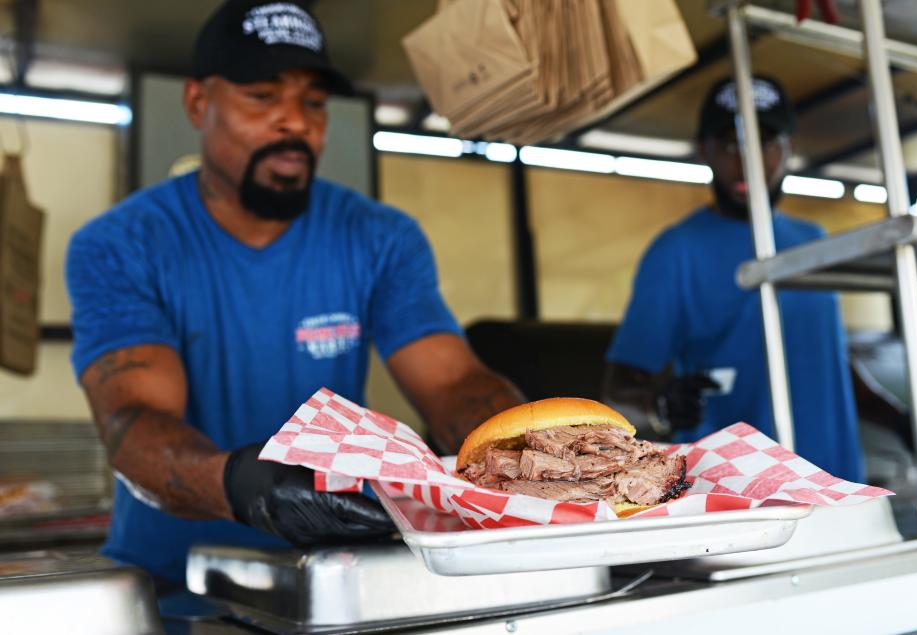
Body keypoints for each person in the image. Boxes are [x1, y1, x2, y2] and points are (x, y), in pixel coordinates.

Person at [65, 0, 523, 586]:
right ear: (198, 103)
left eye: (313, 102)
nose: (296, 122)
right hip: (168, 589)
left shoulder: (379, 237)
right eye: (262, 96)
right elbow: (134, 418)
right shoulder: (120, 244)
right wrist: (238, 484)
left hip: (328, 579)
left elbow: (453, 382)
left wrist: (528, 450)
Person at [603, 75, 865, 483]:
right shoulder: (676, 250)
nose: (747, 160)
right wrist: (661, 403)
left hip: (837, 483)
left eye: (765, 143)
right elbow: (619, 387)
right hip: (734, 493)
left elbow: (830, 360)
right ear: (704, 149)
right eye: (730, 144)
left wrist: (905, 422)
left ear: (790, 149)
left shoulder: (815, 242)